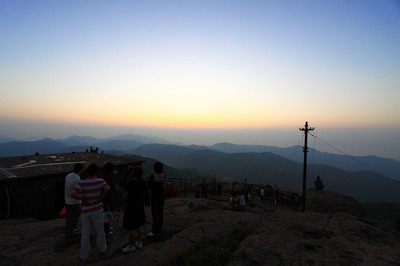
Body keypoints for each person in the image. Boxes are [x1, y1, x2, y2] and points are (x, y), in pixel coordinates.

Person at [71, 163, 110, 262]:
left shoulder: (82, 183)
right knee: (100, 230)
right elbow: (107, 188)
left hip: (85, 211)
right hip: (97, 209)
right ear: (96, 172)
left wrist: (82, 199)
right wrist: (100, 197)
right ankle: (102, 248)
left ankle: (84, 254)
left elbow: (73, 194)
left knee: (85, 233)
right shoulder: (100, 181)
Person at [121, 166, 149, 253]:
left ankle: (131, 245)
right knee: (139, 225)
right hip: (140, 207)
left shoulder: (130, 184)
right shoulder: (143, 183)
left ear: (134, 174)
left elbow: (124, 196)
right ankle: (140, 242)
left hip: (131, 208)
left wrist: (123, 206)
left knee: (131, 227)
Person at [64, 163, 84, 238]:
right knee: (74, 218)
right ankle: (70, 233)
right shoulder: (77, 179)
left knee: (69, 217)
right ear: (81, 170)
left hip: (67, 200)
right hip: (74, 202)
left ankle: (69, 230)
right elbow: (78, 191)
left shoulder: (69, 176)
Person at [147, 161, 165, 237]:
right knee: (160, 211)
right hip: (162, 195)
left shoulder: (152, 176)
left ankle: (155, 230)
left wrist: (149, 179)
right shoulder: (164, 175)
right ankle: (160, 227)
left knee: (155, 213)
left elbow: (149, 186)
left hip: (155, 196)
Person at [102, 162, 116, 235]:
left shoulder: (107, 175)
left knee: (107, 212)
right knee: (106, 213)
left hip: (107, 198)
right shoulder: (107, 177)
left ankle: (107, 227)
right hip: (106, 199)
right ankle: (106, 230)